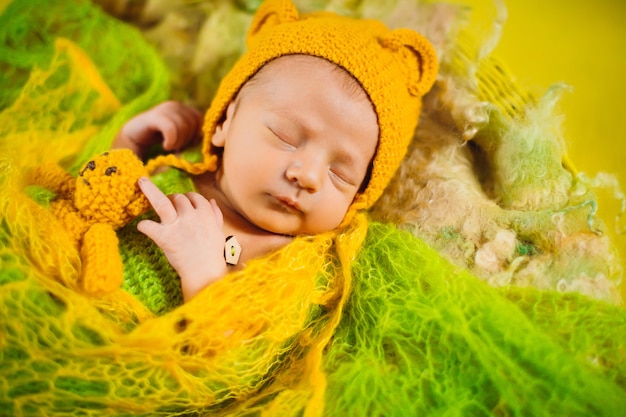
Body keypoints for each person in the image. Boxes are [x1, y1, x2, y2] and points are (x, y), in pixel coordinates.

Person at [113, 0, 438, 302]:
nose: (308, 176)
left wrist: (204, 276)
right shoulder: (176, 164)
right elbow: (89, 204)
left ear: (359, 196)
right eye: (286, 137)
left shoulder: (295, 267)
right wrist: (128, 143)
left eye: (340, 174)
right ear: (227, 119)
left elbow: (241, 356)